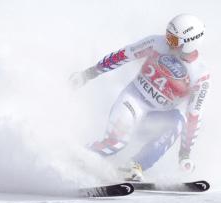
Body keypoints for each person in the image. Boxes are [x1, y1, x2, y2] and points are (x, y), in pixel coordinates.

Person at [70, 14, 210, 181]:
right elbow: (123, 55)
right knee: (116, 143)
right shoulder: (157, 43)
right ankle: (78, 157)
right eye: (167, 35)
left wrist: (185, 154)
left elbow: (194, 115)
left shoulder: (200, 74)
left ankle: (134, 166)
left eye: (173, 40)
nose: (167, 41)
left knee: (177, 121)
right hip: (133, 101)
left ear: (189, 42)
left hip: (156, 117)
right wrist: (88, 74)